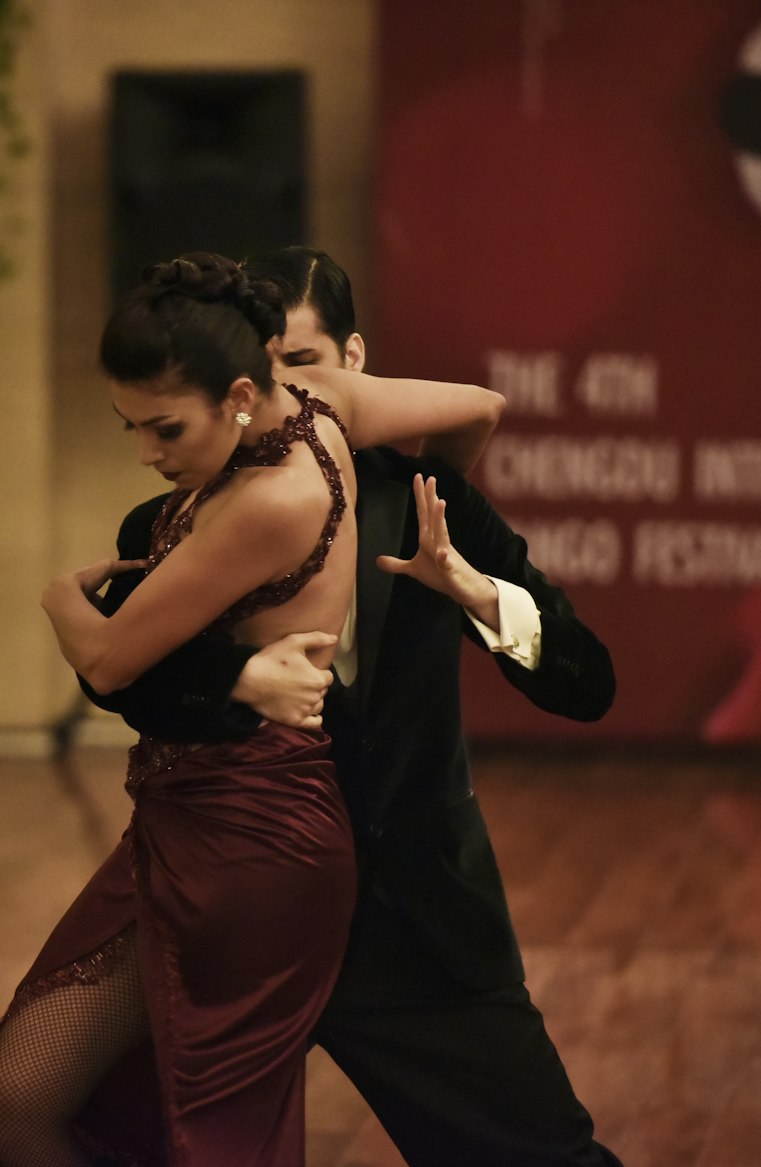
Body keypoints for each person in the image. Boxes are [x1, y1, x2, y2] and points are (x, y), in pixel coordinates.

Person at [78, 247, 622, 1167]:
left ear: (356, 362)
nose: (269, 392)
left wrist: (477, 594)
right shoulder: (165, 523)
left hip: (412, 923)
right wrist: (238, 682)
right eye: (254, 368)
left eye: (302, 363)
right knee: (83, 1124)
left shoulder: (423, 501)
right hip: (226, 912)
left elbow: (587, 683)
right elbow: (120, 679)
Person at [0, 251, 504, 1167]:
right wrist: (419, 518)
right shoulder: (327, 407)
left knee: (206, 1134)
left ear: (239, 394)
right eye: (130, 429)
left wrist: (58, 595)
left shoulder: (269, 500)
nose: (148, 456)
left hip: (254, 843)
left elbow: (110, 661)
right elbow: (480, 406)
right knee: (29, 1096)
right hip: (186, 820)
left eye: (163, 429)